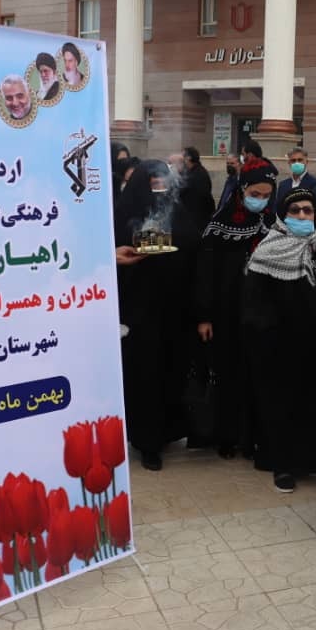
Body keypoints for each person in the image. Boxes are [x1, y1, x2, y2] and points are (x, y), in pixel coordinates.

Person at [244, 188, 316, 492]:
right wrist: (272, 335)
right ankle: (281, 465)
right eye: (295, 211)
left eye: (308, 211)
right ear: (283, 215)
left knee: (312, 402)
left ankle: (309, 458)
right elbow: (255, 303)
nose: (302, 216)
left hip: (315, 343)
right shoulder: (267, 250)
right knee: (280, 405)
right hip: (279, 345)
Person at [114, 160, 201, 471]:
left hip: (174, 307)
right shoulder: (123, 212)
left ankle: (168, 431)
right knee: (145, 375)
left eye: (163, 182)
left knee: (171, 371)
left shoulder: (177, 209)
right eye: (152, 183)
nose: (159, 188)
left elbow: (192, 244)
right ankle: (147, 441)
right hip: (139, 312)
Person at [196, 158, 277, 458]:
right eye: (255, 194)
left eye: (266, 195)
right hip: (226, 313)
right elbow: (205, 275)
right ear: (242, 190)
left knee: (256, 375)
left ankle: (251, 436)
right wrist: (204, 316)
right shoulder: (219, 225)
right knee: (228, 374)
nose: (261, 200)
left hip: (260, 314)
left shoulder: (271, 223)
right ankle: (227, 437)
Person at [181, 146, 215, 232]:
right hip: (193, 218)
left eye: (183, 156)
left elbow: (204, 197)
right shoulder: (191, 172)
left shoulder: (199, 174)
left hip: (198, 220)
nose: (181, 160)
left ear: (188, 158)